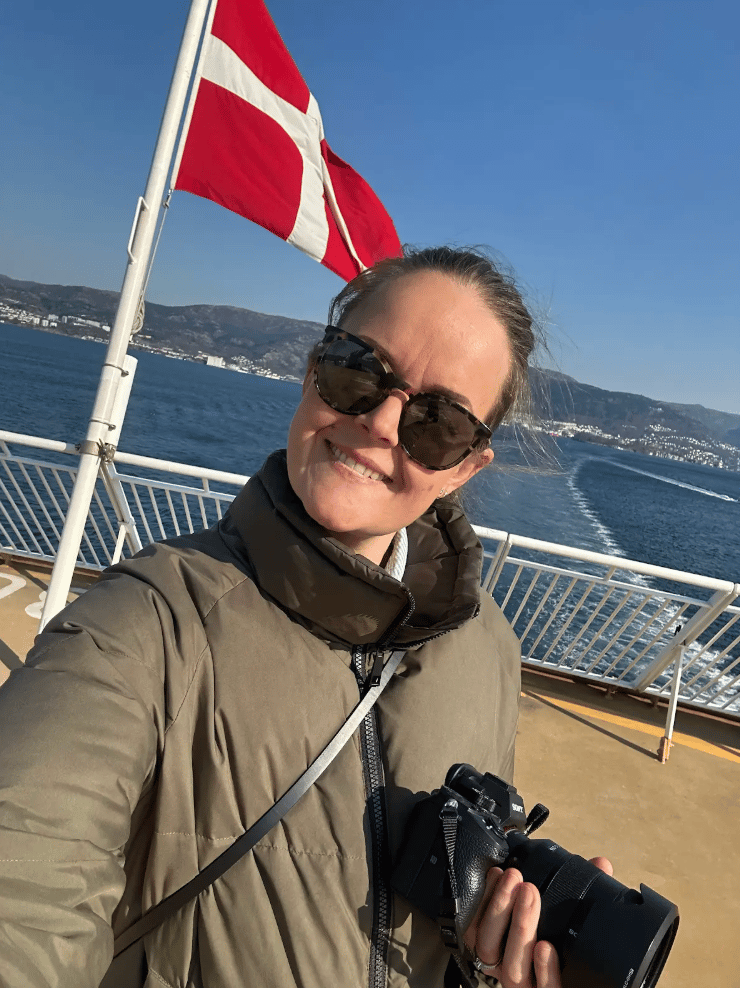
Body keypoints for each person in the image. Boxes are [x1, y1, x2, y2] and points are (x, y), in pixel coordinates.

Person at [0, 246, 608, 988]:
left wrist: (486, 962)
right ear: (312, 369)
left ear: (464, 466)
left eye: (437, 422)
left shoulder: (488, 650)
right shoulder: (148, 620)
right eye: (358, 368)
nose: (383, 422)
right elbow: (24, 881)